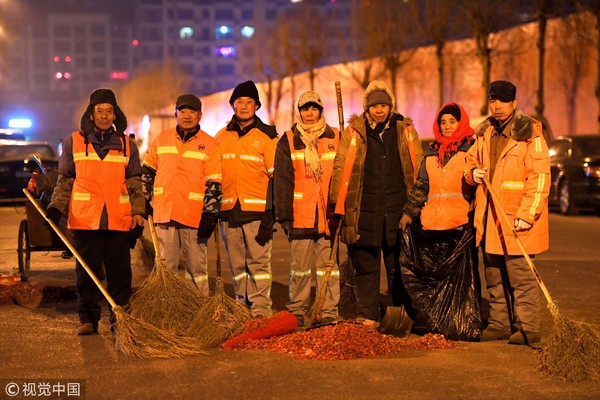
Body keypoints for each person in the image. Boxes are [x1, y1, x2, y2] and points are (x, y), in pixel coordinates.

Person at [46, 88, 145, 335]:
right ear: (91, 114)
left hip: (118, 220)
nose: (104, 115)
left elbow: (134, 181)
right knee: (87, 273)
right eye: (99, 111)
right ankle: (87, 319)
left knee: (120, 275)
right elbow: (65, 179)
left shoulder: (126, 145)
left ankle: (119, 319)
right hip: (84, 219)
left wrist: (138, 212)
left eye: (108, 111)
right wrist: (55, 208)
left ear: (115, 114)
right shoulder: (74, 142)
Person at [329, 80, 424, 324]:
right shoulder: (355, 133)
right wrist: (337, 204)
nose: (379, 110)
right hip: (365, 211)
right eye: (374, 106)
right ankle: (367, 314)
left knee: (397, 267)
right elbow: (341, 167)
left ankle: (398, 313)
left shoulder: (405, 130)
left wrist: (415, 207)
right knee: (366, 267)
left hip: (397, 210)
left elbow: (419, 165)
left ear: (391, 106)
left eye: (383, 105)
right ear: (367, 108)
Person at [464, 80, 550, 345]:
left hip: (517, 220)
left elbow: (540, 178)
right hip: (490, 218)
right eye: (493, 101)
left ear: (514, 103)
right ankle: (499, 324)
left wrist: (528, 214)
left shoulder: (530, 134)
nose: (497, 106)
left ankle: (527, 328)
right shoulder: (486, 133)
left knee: (520, 276)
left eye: (502, 101)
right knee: (494, 275)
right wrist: (472, 174)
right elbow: (471, 160)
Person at [399, 102, 481, 341]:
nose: (447, 126)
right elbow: (422, 186)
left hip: (459, 226)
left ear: (461, 123)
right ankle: (439, 322)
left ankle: (463, 322)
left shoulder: (471, 150)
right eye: (443, 122)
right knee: (435, 279)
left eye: (452, 122)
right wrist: (408, 213)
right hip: (432, 226)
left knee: (464, 281)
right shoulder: (431, 153)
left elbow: (476, 188)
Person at [142, 94, 221, 296]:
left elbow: (214, 183)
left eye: (192, 111)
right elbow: (147, 172)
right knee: (166, 269)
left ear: (200, 115)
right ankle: (167, 308)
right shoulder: (161, 140)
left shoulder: (210, 144)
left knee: (197, 269)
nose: (187, 116)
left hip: (193, 217)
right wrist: (144, 199)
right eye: (183, 111)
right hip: (164, 214)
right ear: (175, 113)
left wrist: (210, 214)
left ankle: (198, 309)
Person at [274, 90, 340, 328]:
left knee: (329, 269)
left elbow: (344, 177)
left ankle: (328, 310)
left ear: (320, 111)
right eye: (304, 109)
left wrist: (341, 209)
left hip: (327, 216)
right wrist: (284, 215)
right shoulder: (289, 139)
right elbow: (282, 180)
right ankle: (298, 310)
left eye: (313, 108)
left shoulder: (336, 137)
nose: (309, 113)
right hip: (300, 214)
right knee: (300, 269)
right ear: (299, 112)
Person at [214, 80, 278, 318]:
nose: (243, 106)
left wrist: (271, 214)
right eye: (239, 101)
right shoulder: (220, 137)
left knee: (258, 265)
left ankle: (261, 308)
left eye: (249, 102)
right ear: (232, 105)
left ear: (256, 106)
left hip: (257, 211)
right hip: (229, 210)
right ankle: (242, 303)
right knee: (237, 265)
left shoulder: (267, 136)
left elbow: (276, 178)